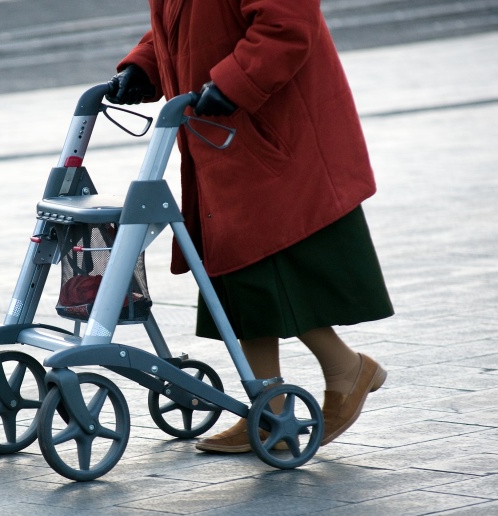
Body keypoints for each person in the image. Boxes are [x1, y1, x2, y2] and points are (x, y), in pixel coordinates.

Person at [107, 0, 394, 451]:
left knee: (273, 266)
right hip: (224, 135)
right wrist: (144, 66)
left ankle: (345, 368)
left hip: (273, 130)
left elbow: (287, 24)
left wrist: (234, 81)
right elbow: (178, 31)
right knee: (237, 273)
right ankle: (268, 405)